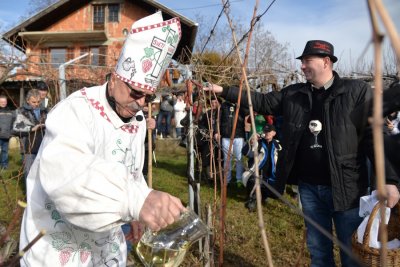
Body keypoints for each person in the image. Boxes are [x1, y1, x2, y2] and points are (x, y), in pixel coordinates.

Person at [205, 40, 400, 267]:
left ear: (326, 62)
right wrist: (224, 90)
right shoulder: (294, 94)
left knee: (352, 253)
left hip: (347, 189)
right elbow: (262, 101)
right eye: (302, 62)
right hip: (309, 189)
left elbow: (373, 135)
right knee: (318, 252)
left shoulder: (355, 92)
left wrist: (389, 179)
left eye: (307, 61)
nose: (302, 66)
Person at [20, 12, 185, 267]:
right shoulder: (76, 110)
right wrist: (135, 201)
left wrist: (136, 212)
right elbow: (68, 176)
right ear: (115, 77)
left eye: (149, 97)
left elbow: (131, 173)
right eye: (137, 92)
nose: (141, 104)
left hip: (106, 247)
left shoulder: (137, 121)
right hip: (58, 249)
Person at [242, 124, 281, 212]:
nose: (267, 133)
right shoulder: (258, 143)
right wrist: (251, 142)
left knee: (277, 190)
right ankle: (252, 198)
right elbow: (245, 152)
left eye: (269, 131)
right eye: (265, 131)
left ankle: (264, 195)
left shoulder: (277, 145)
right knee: (253, 181)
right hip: (257, 173)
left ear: (274, 133)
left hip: (271, 175)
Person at [13, 89, 47, 179]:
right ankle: (29, 192)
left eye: (38, 101)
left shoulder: (44, 111)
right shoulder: (21, 112)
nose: (36, 104)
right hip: (28, 147)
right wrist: (32, 128)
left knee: (42, 173)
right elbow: (15, 128)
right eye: (34, 102)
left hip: (43, 146)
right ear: (28, 101)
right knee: (29, 174)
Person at [219, 100, 246, 187]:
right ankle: (227, 180)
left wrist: (240, 106)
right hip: (226, 136)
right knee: (227, 159)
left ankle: (239, 179)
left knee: (239, 158)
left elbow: (248, 112)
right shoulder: (224, 105)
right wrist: (217, 131)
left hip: (238, 135)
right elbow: (219, 119)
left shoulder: (241, 104)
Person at [0, 95, 16, 169]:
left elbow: (14, 122)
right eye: (1, 102)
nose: (3, 103)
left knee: (5, 151)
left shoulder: (11, 111)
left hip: (6, 135)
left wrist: (11, 132)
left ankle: (4, 165)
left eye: (4, 101)